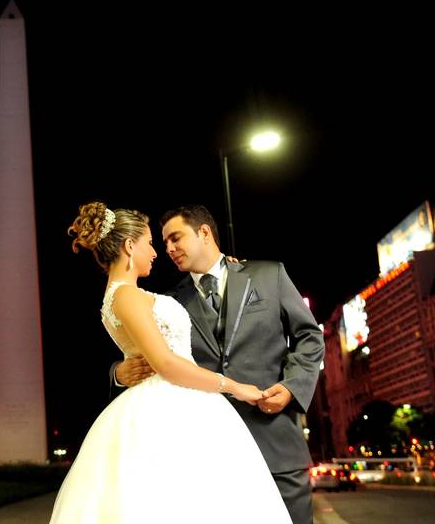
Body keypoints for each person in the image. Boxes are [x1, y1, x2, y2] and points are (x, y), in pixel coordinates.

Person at [49, 202, 291, 523]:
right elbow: (165, 362)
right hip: (171, 402)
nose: (155, 252)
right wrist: (233, 387)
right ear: (129, 245)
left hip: (169, 399)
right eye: (150, 243)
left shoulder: (121, 297)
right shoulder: (127, 296)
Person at [113, 205, 325, 524]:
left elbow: (309, 335)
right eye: (163, 242)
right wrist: (117, 372)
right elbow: (148, 354)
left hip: (276, 443)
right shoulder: (166, 302)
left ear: (204, 232)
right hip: (209, 456)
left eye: (175, 238)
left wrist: (292, 386)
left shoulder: (269, 274)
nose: (168, 249)